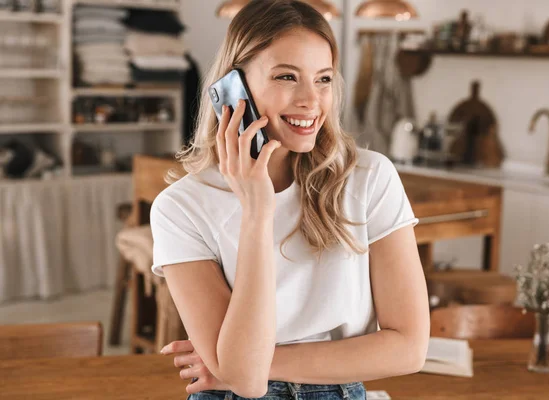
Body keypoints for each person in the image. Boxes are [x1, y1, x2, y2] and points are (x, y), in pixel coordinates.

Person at [150, 1, 430, 399]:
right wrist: (257, 213)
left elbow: (409, 348)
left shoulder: (370, 178)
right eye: (286, 77)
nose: (311, 100)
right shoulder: (179, 208)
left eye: (323, 79)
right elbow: (245, 383)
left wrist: (246, 363)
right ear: (233, 88)